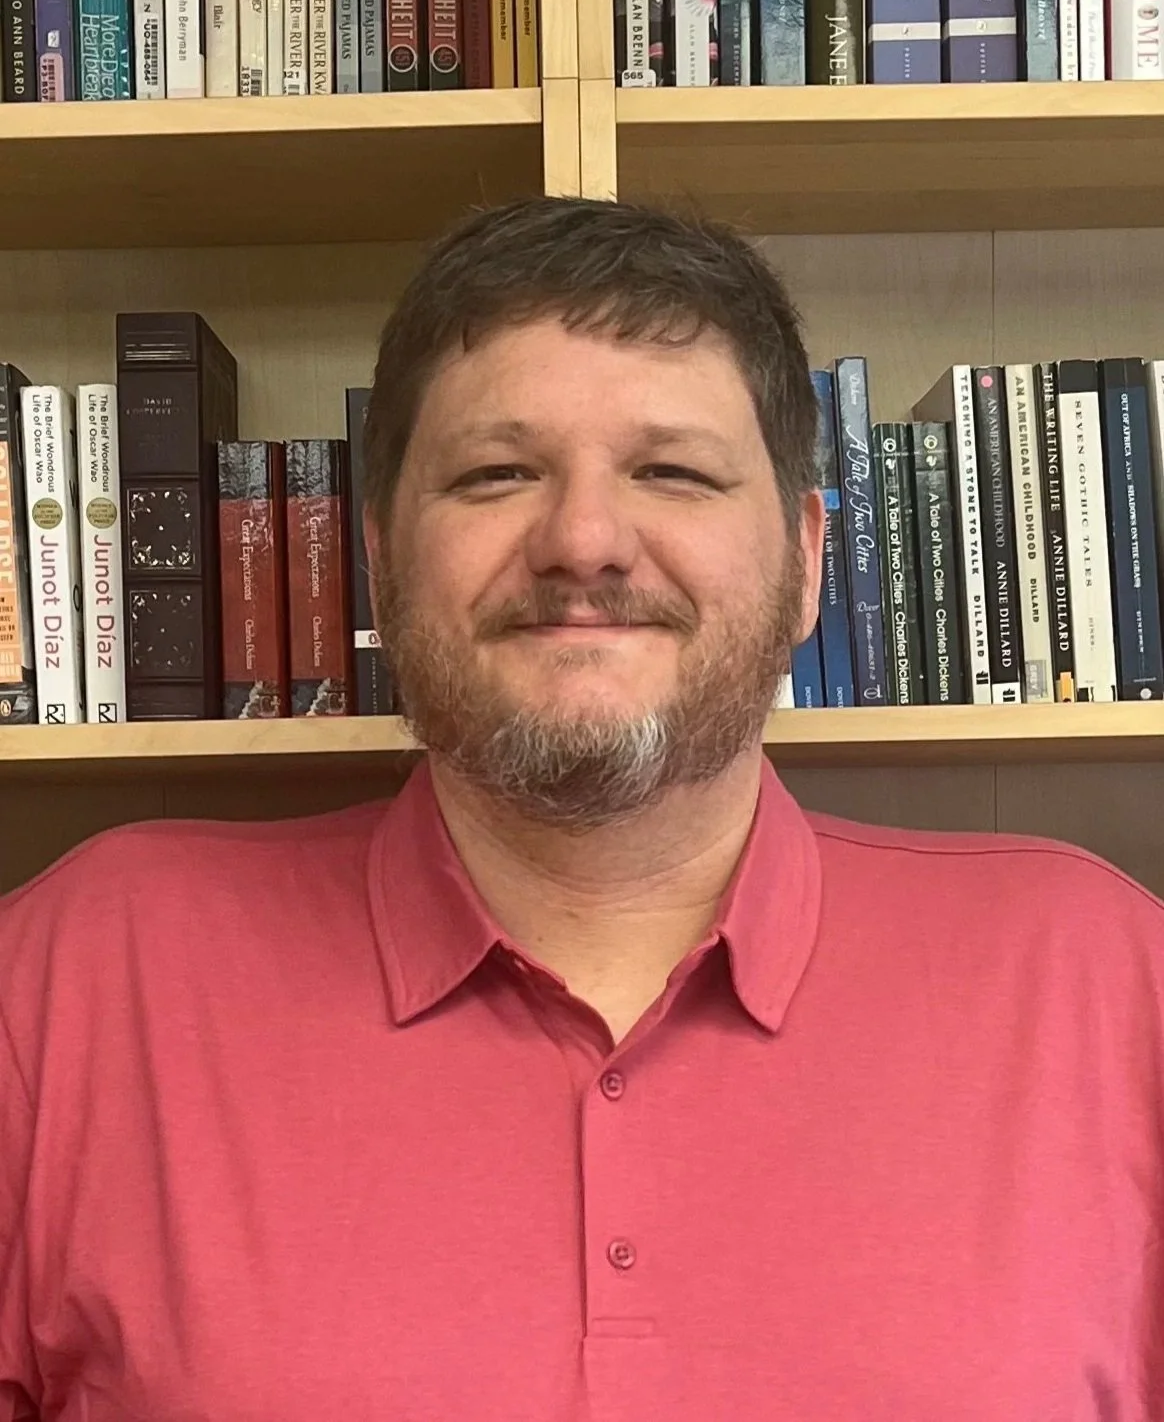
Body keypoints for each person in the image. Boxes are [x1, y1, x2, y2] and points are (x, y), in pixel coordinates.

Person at [1, 196, 1162, 1422]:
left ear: (811, 561)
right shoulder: (78, 973)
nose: (586, 540)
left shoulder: (1103, 974)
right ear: (384, 566)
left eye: (673, 470)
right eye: (498, 472)